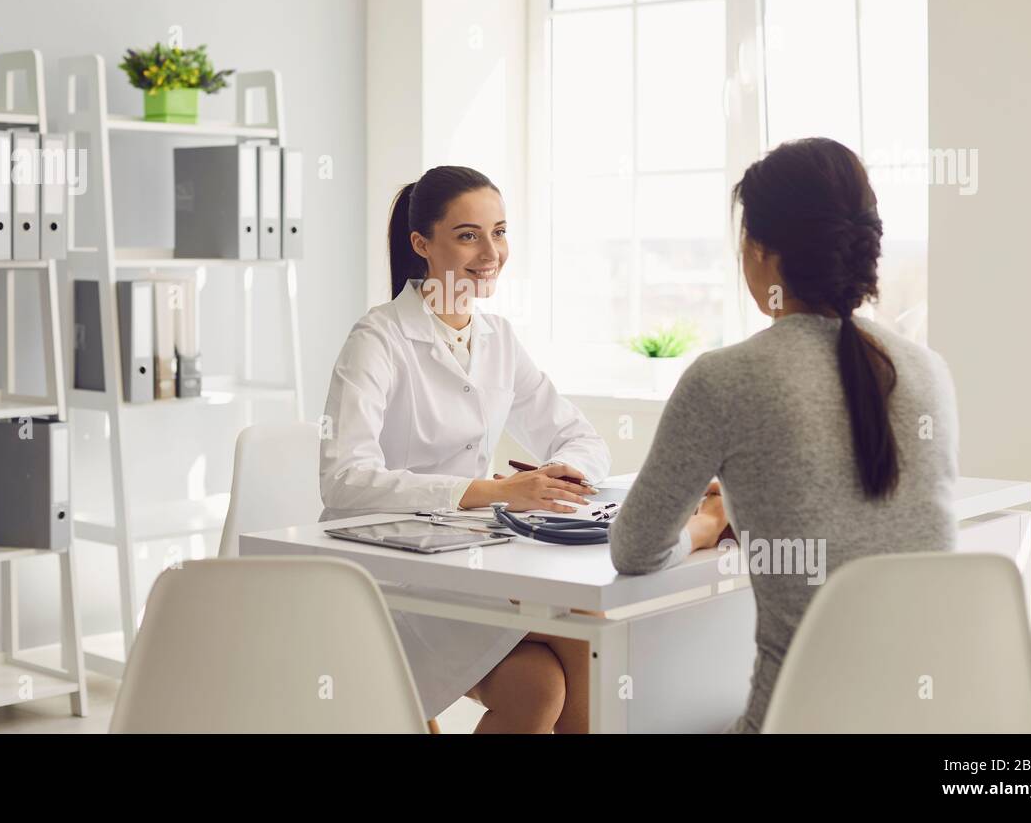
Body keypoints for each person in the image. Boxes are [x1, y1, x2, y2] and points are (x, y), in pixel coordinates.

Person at [610, 137, 959, 733]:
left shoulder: (725, 378)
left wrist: (706, 526)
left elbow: (635, 549)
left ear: (762, 253)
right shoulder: (928, 369)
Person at [320, 165, 611, 732]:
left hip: (470, 564)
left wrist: (562, 473)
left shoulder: (498, 338)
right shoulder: (376, 339)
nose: (491, 252)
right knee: (582, 628)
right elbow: (344, 480)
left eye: (499, 232)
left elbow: (581, 436)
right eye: (468, 235)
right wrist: (493, 491)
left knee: (537, 685)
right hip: (386, 578)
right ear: (421, 244)